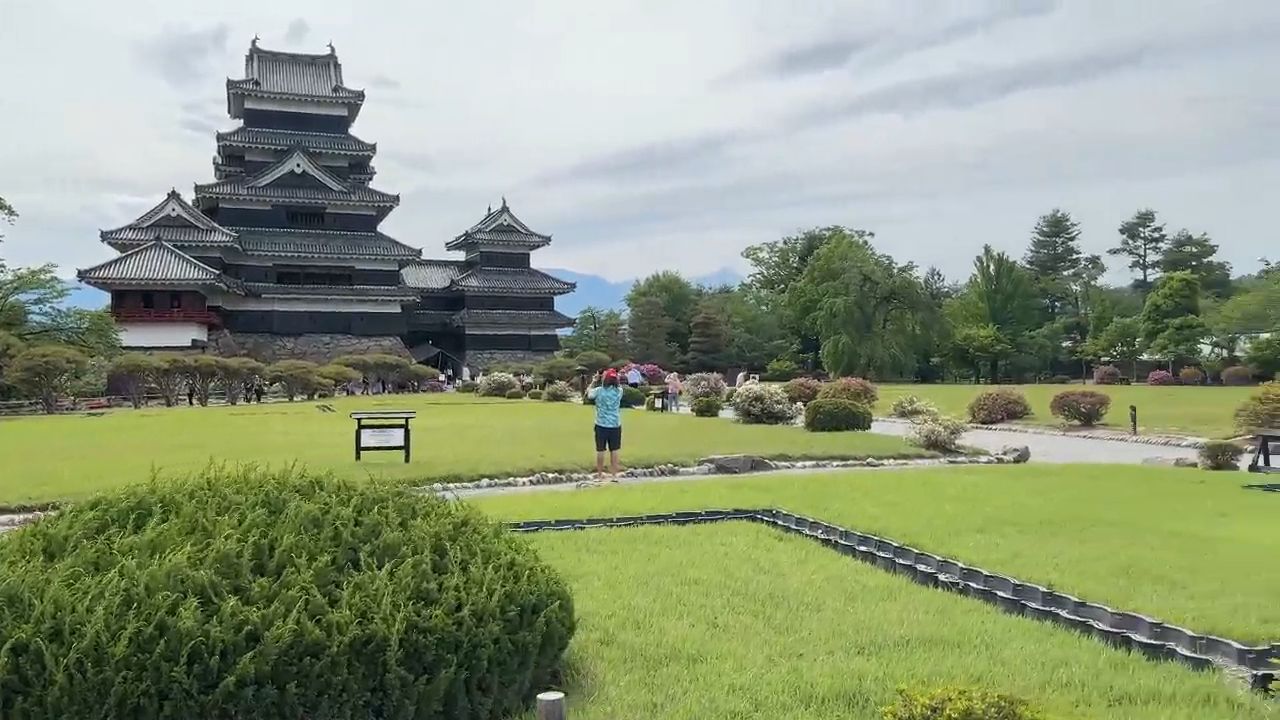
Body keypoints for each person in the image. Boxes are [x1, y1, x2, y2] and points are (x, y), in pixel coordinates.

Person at [587, 369, 624, 480]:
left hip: (601, 424)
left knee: (600, 450)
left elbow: (589, 394)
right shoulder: (619, 391)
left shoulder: (598, 391)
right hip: (615, 424)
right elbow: (618, 385)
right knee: (615, 450)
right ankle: (614, 475)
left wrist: (593, 381)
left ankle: (599, 474)